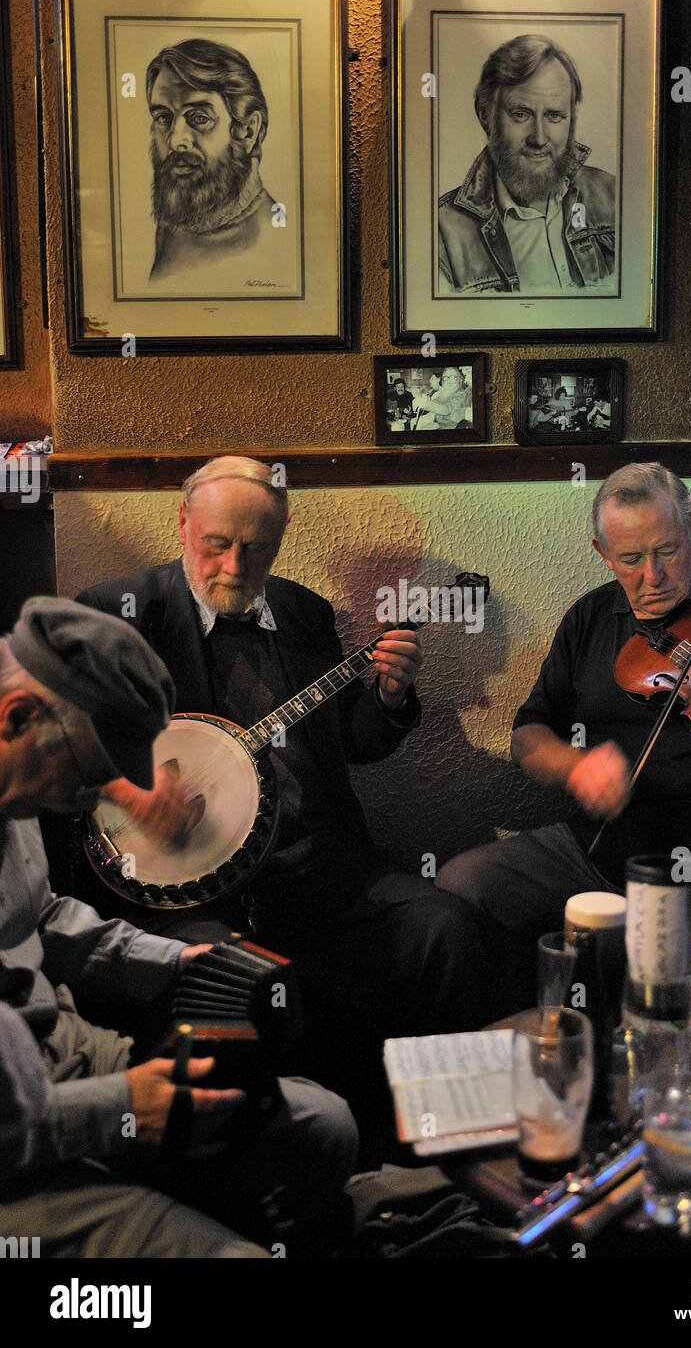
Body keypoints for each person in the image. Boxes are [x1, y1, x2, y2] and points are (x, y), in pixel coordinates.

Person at [76, 457, 489, 1149]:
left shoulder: (303, 611)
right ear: (183, 524)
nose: (236, 564)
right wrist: (131, 790)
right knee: (240, 983)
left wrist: (387, 699)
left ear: (281, 537)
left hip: (322, 864)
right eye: (216, 543)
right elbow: (62, 745)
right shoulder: (118, 613)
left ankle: (452, 1149)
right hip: (190, 889)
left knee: (443, 925)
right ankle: (292, 1175)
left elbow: (347, 745)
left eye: (257, 547)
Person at [0, 596, 358, 1257]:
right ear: (17, 718)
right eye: (88, 774)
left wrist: (173, 961)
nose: (93, 800)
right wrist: (119, 1109)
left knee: (325, 1127)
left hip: (52, 1049)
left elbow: (43, 916)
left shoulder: (10, 785)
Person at [437, 463, 691, 1008]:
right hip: (601, 848)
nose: (652, 576)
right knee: (462, 887)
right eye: (630, 559)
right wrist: (576, 766)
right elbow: (529, 733)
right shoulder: (589, 619)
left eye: (667, 551)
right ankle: (548, 1045)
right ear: (602, 553)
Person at [438, 34, 615, 295]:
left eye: (554, 116)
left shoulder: (613, 196)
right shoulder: (442, 232)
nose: (539, 138)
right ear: (485, 115)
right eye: (521, 114)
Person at [147, 39, 280, 284]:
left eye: (199, 118)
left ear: (248, 131)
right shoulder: (175, 223)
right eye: (164, 117)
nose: (176, 141)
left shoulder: (276, 240)